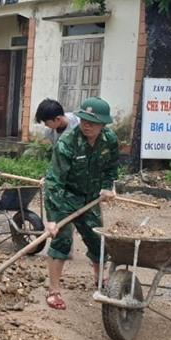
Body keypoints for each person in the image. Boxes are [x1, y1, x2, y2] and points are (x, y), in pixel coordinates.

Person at [42, 97, 118, 310]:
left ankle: (99, 279)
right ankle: (54, 291)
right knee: (61, 242)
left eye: (92, 122)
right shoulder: (68, 143)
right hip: (67, 197)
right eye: (83, 119)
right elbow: (54, 182)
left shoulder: (109, 139)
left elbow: (112, 167)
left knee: (97, 241)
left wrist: (107, 186)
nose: (86, 125)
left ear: (103, 124)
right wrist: (53, 219)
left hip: (92, 197)